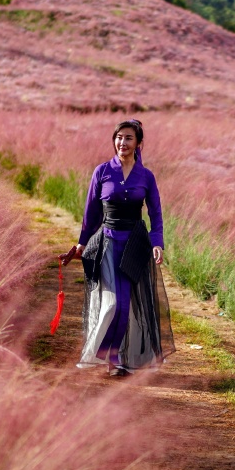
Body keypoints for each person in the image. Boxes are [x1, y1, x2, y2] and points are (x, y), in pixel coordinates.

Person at [60, 119, 174, 376]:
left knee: (128, 304)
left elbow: (155, 214)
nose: (123, 143)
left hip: (135, 243)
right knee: (114, 304)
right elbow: (91, 212)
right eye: (119, 137)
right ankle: (106, 355)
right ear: (114, 140)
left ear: (138, 143)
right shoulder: (102, 171)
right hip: (108, 242)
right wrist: (81, 242)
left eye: (129, 138)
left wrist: (157, 243)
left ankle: (120, 360)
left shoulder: (146, 176)